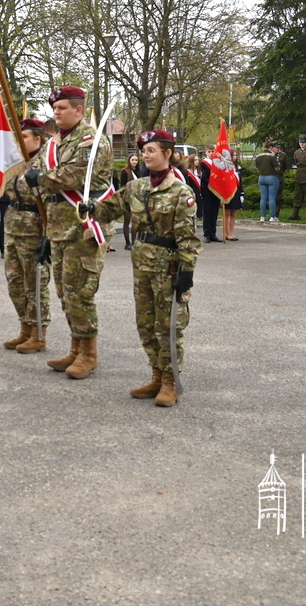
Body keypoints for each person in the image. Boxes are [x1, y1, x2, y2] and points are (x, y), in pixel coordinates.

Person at [82, 129, 200, 407]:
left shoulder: (180, 191)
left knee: (168, 325)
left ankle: (170, 381)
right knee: (145, 324)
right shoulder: (136, 187)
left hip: (169, 267)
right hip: (142, 265)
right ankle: (156, 375)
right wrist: (91, 207)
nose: (145, 156)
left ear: (167, 154)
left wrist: (187, 271)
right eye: (143, 151)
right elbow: (111, 209)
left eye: (151, 151)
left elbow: (188, 237)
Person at [23, 85, 113, 379]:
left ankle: (89, 354)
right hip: (60, 227)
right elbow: (32, 177)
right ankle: (76, 348)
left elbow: (73, 176)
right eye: (55, 108)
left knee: (80, 292)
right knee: (64, 291)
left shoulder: (91, 141)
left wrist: (40, 178)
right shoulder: (54, 143)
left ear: (78, 109)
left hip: (84, 227)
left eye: (62, 108)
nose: (56, 113)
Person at [3, 119, 51, 353]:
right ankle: (25, 327)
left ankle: (38, 333)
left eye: (24, 137)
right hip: (13, 227)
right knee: (15, 281)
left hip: (34, 229)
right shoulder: (17, 163)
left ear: (37, 139)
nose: (19, 141)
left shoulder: (47, 164)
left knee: (35, 283)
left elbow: (51, 200)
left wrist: (48, 234)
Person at [255, 141, 283, 223]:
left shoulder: (258, 156)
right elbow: (277, 168)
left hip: (261, 177)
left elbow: (257, 167)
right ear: (270, 147)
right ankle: (272, 216)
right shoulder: (272, 156)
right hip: (272, 177)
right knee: (272, 198)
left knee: (263, 198)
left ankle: (262, 216)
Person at [118, 153, 141, 250]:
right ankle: (127, 243)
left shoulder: (139, 172)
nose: (134, 162)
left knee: (135, 222)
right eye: (132, 160)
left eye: (136, 160)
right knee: (127, 220)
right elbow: (122, 186)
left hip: (137, 199)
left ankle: (134, 243)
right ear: (129, 161)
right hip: (127, 199)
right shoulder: (125, 171)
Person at [198, 146, 221, 243]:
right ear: (206, 153)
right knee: (207, 213)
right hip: (207, 190)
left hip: (217, 191)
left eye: (213, 151)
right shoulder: (203, 163)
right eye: (209, 151)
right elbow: (204, 177)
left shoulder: (218, 162)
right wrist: (213, 183)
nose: (211, 153)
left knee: (214, 212)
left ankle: (213, 233)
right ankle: (206, 234)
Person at [223, 150, 244, 241]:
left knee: (234, 213)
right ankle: (226, 233)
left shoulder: (237, 168)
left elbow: (240, 181)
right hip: (228, 192)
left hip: (236, 192)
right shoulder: (225, 167)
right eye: (233, 155)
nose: (235, 157)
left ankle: (231, 233)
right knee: (227, 213)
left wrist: (242, 193)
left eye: (236, 155)